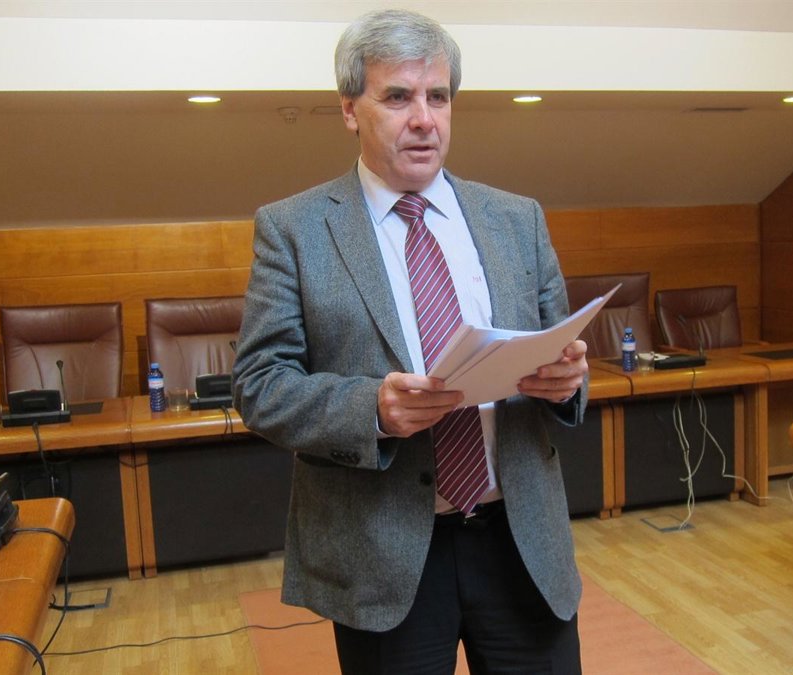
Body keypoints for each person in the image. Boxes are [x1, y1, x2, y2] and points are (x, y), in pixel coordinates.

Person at [233, 8, 588, 674]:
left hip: (522, 544)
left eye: (438, 97)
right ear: (349, 109)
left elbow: (561, 353)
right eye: (398, 97)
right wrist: (372, 409)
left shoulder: (518, 219)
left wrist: (567, 381)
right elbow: (260, 385)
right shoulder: (294, 230)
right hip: (384, 552)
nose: (424, 119)